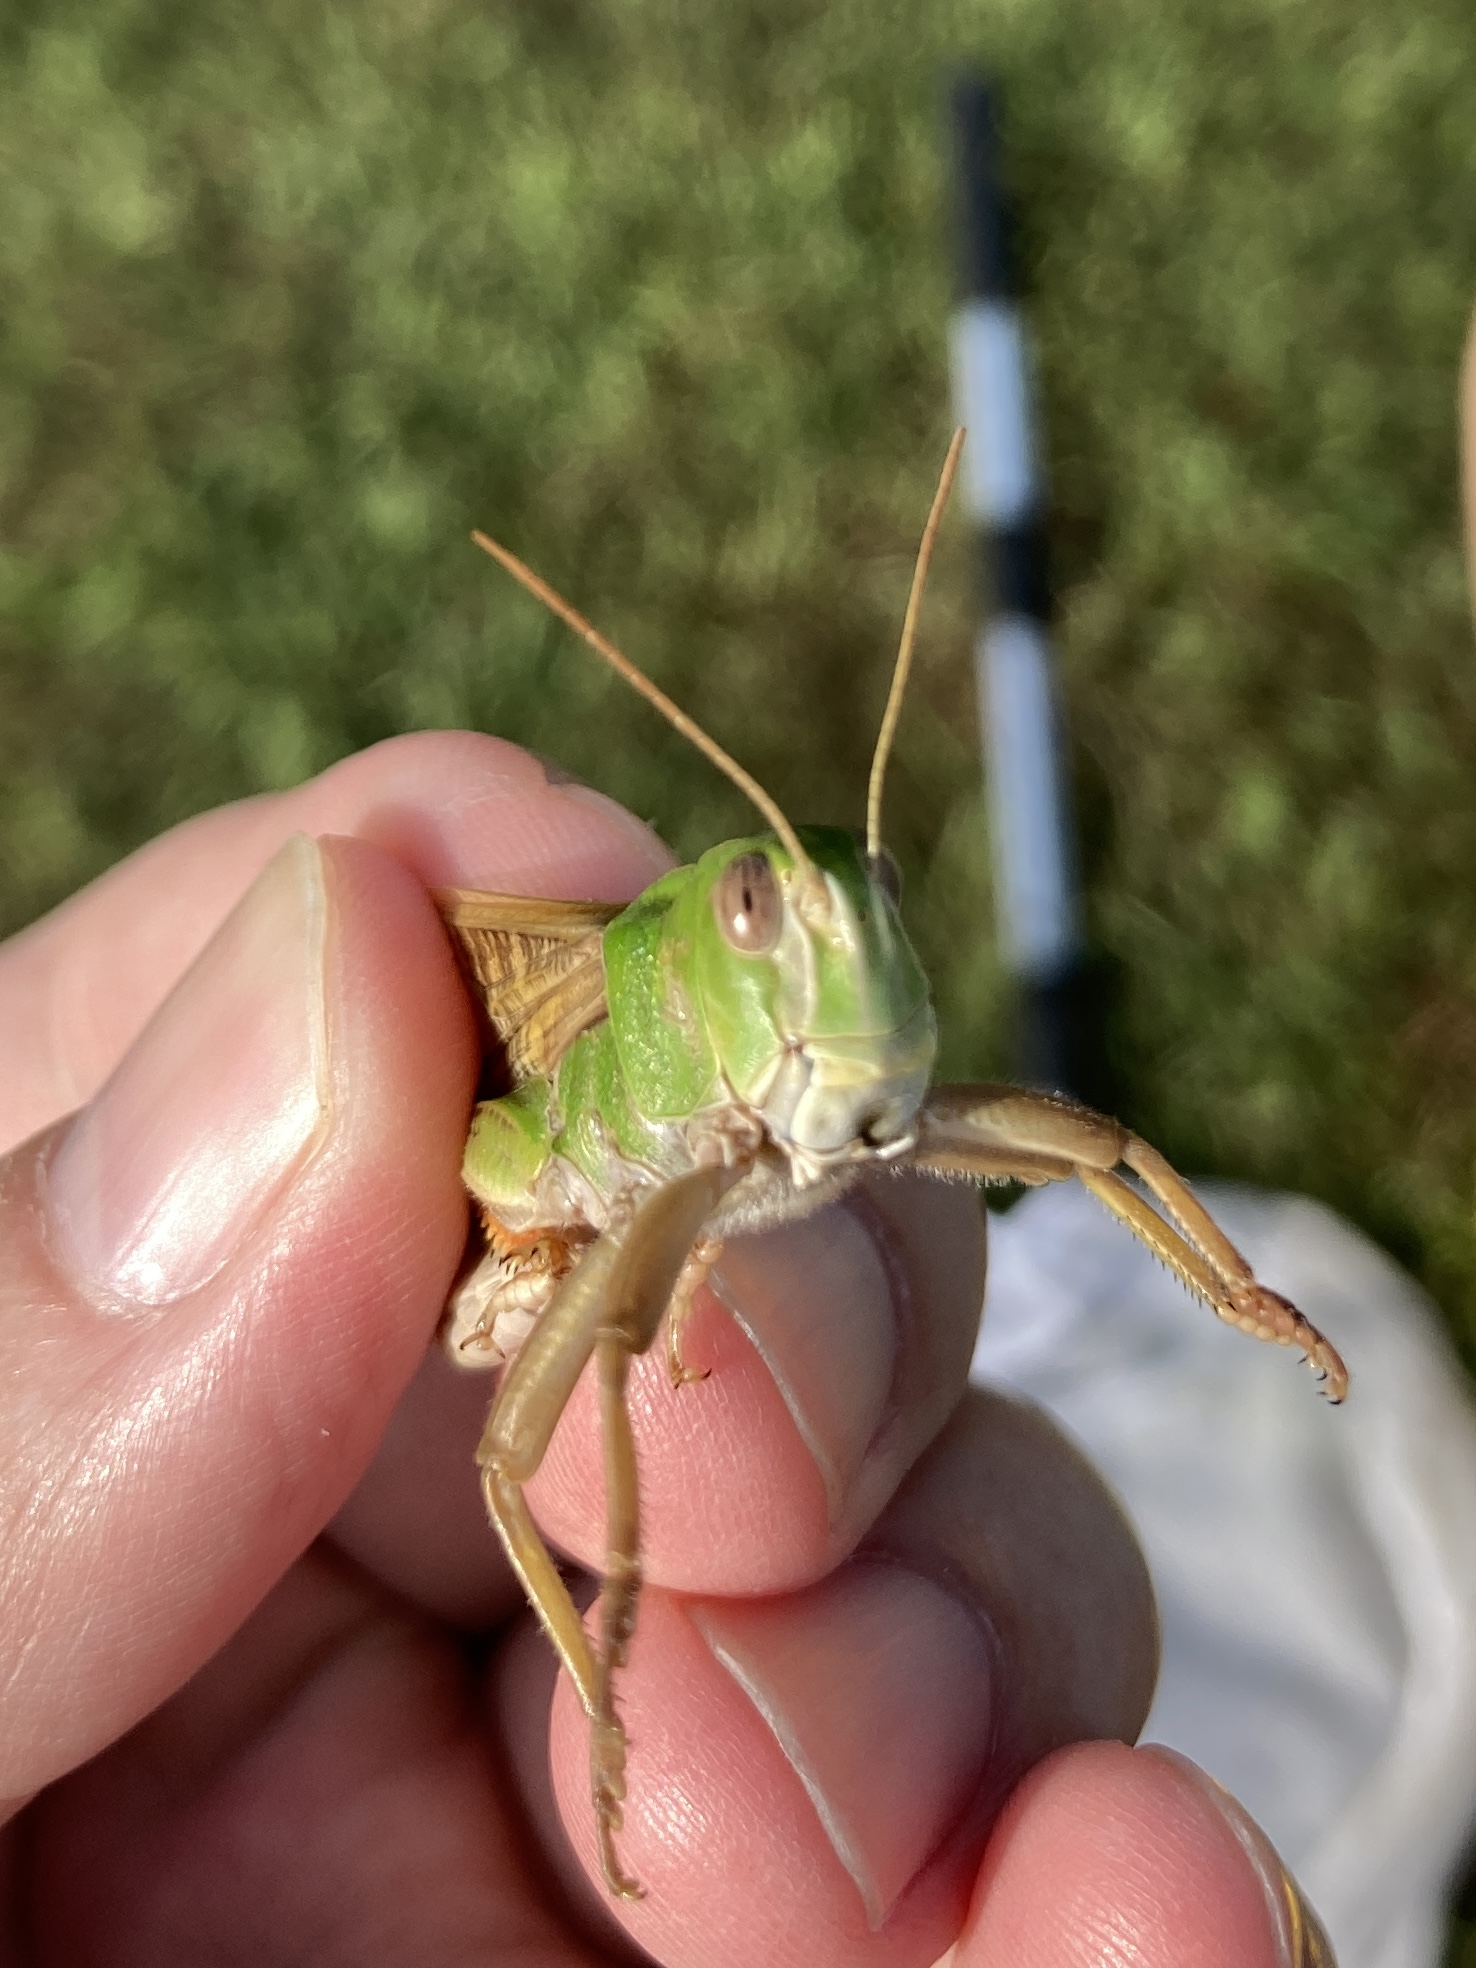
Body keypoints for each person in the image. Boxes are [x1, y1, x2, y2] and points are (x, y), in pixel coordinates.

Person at [0, 729, 1332, 1965]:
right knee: (535, 1453)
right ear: (728, 929)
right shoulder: (655, 986)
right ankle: (608, 1708)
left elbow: (1103, 1150)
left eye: (875, 892)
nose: (844, 939)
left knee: (1081, 1144)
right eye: (760, 913)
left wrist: (1239, 1299)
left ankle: (1238, 1306)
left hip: (676, 1211)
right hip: (543, 1183)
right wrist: (621, 1598)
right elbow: (605, 1318)